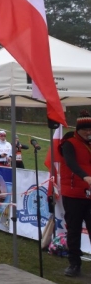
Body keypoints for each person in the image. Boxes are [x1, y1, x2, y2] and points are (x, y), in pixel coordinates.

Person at [58, 110, 91, 277]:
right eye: (85, 129)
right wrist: (85, 176)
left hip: (89, 194)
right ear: (78, 129)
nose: (88, 132)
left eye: (90, 129)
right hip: (73, 194)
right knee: (74, 230)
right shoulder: (68, 143)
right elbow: (71, 163)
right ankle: (74, 264)